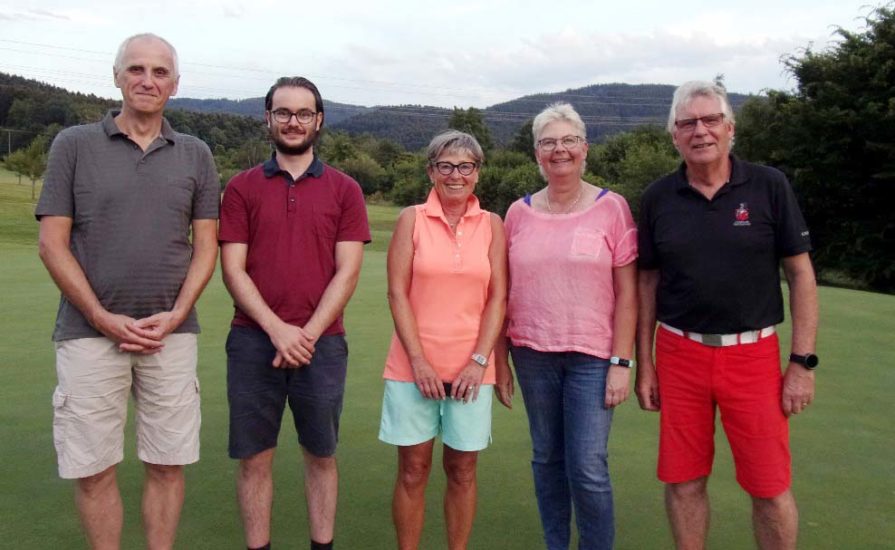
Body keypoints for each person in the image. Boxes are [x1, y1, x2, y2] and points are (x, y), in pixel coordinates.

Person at [35, 33, 219, 549]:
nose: (147, 80)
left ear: (175, 84)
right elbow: (52, 243)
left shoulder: (196, 153)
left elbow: (206, 245)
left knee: (167, 463)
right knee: (93, 469)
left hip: (170, 337)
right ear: (116, 76)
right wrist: (99, 316)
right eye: (136, 69)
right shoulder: (73, 145)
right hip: (88, 334)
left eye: (160, 72)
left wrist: (179, 312)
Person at [635, 80, 819, 550]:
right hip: (679, 353)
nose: (700, 131)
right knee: (683, 480)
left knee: (769, 486)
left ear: (730, 127)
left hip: (753, 355)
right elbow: (647, 282)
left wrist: (802, 362)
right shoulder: (658, 197)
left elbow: (801, 274)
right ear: (674, 135)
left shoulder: (768, 185)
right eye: (687, 123)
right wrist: (646, 364)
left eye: (711, 119)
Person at [219, 76, 370, 550]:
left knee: (321, 455)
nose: (293, 122)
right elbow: (233, 269)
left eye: (304, 113)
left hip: (323, 344)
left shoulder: (345, 189)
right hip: (252, 341)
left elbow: (348, 271)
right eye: (283, 112)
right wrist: (277, 330)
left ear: (318, 120)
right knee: (255, 459)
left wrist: (305, 334)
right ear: (268, 118)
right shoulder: (241, 188)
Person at [495, 102, 638, 549]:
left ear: (585, 148)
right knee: (547, 459)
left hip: (593, 358)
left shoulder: (612, 208)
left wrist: (622, 362)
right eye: (549, 142)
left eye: (569, 140)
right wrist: (499, 361)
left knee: (588, 466)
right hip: (532, 354)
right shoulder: (517, 213)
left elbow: (628, 293)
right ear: (537, 152)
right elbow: (500, 293)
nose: (560, 150)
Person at [379, 130, 508, 550]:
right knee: (413, 470)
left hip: (472, 369)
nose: (456, 175)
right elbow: (397, 293)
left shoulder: (492, 224)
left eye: (465, 166)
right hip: (412, 367)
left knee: (463, 471)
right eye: (446, 166)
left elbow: (498, 298)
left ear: (478, 172)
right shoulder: (411, 219)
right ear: (431, 171)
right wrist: (418, 361)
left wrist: (479, 360)